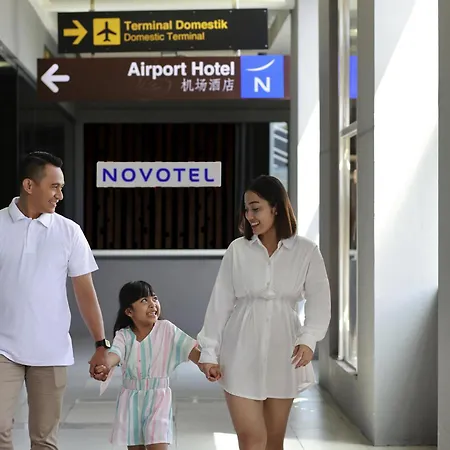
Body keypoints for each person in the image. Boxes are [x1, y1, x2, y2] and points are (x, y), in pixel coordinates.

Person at [197, 175, 331, 450]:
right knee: (251, 439)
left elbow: (320, 300)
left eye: (256, 208)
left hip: (285, 353)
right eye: (246, 209)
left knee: (273, 441)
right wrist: (208, 353)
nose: (249, 216)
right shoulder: (237, 250)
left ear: (276, 208)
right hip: (240, 352)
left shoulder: (306, 251)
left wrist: (308, 339)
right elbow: (220, 304)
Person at [0, 151, 108, 450]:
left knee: (45, 441)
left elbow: (85, 292)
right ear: (29, 186)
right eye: (54, 187)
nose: (60, 195)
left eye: (61, 187)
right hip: (2, 348)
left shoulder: (69, 232)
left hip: (51, 351)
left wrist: (101, 343)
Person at [93, 280, 216, 450]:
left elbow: (191, 351)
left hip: (159, 399)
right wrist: (105, 365)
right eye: (144, 300)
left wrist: (208, 365)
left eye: (154, 298)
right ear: (129, 311)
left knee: (158, 444)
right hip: (130, 401)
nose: (152, 304)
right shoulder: (124, 335)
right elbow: (116, 354)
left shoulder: (167, 329)